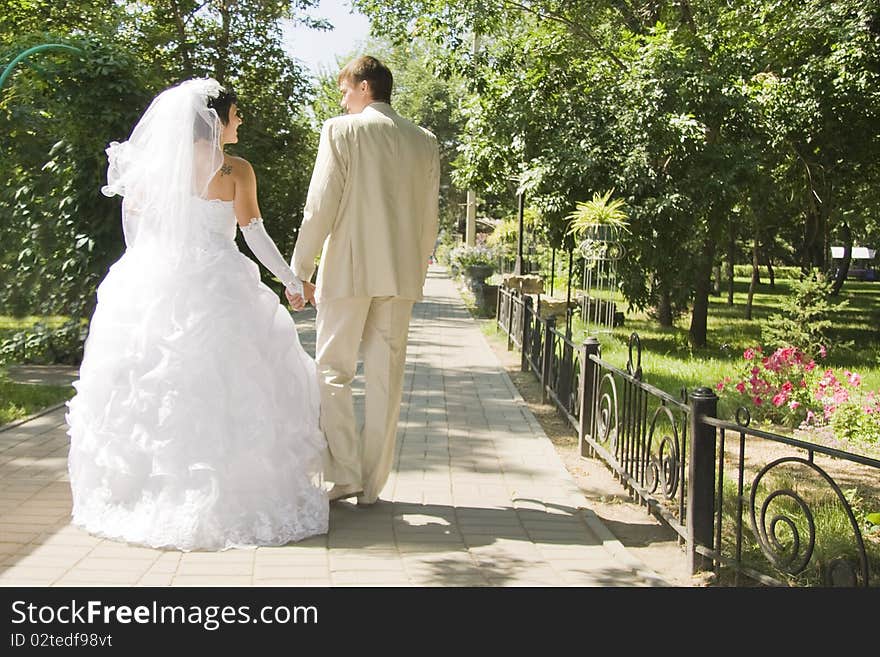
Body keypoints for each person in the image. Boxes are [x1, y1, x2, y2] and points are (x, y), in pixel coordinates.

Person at [66, 78, 329, 551]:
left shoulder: (155, 171)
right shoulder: (236, 171)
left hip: (157, 279)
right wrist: (292, 280)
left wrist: (148, 274)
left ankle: (147, 492)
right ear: (216, 120)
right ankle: (237, 497)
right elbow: (254, 236)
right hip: (222, 286)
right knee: (230, 386)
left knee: (157, 387)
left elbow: (138, 232)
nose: (240, 120)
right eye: (235, 113)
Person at [290, 56, 440, 505]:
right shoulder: (424, 140)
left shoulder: (341, 130)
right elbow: (429, 216)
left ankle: (347, 472)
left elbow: (321, 205)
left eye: (345, 90)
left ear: (365, 87)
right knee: (386, 380)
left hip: (349, 271)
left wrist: (300, 270)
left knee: (332, 372)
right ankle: (372, 487)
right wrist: (416, 266)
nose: (342, 99)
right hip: (400, 275)